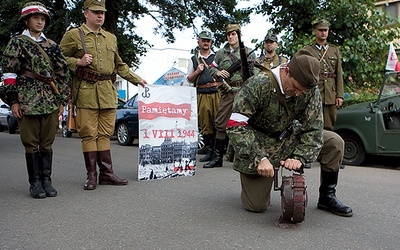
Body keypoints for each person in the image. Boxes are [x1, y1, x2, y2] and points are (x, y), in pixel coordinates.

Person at [227, 50, 352, 217]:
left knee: (334, 142)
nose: (298, 94)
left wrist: (299, 157)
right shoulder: (257, 84)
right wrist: (260, 158)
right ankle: (256, 180)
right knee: (256, 206)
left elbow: (314, 128)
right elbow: (235, 125)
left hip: (289, 137)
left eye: (303, 91)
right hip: (260, 144)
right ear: (286, 71)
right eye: (295, 88)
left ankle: (327, 197)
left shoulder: (309, 89)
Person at [59, 0, 147, 190]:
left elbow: (120, 65)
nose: (100, 16)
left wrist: (137, 79)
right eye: (96, 12)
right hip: (85, 91)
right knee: (89, 134)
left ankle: (107, 174)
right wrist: (77, 62)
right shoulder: (74, 35)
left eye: (103, 12)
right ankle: (92, 175)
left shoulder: (110, 38)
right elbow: (58, 58)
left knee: (105, 133)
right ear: (86, 13)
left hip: (108, 92)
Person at [0, 2, 71, 199]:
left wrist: (62, 101)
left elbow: (63, 74)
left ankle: (47, 181)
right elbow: (8, 74)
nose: (40, 22)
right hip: (26, 99)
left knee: (47, 142)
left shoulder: (52, 46)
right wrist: (13, 100)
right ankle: (35, 183)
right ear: (26, 20)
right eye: (35, 18)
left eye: (43, 19)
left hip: (49, 99)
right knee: (31, 143)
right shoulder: (17, 43)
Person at [204, 24, 257, 168]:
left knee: (247, 122)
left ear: (239, 35)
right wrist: (218, 73)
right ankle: (217, 157)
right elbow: (212, 68)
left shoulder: (249, 52)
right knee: (221, 123)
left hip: (244, 91)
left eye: (234, 34)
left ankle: (247, 156)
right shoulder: (221, 53)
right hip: (228, 91)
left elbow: (256, 74)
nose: (231, 37)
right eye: (229, 35)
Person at [302, 19, 344, 130]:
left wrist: (339, 95)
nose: (323, 33)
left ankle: (328, 146)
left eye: (325, 30)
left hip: (330, 93)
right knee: (313, 123)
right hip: (315, 91)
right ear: (315, 31)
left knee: (330, 125)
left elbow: (339, 73)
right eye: (320, 30)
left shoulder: (334, 50)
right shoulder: (308, 50)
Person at [187, 30, 220, 163]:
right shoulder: (194, 59)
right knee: (205, 123)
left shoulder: (217, 57)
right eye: (203, 40)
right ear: (198, 42)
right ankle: (209, 151)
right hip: (202, 93)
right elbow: (189, 79)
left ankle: (218, 154)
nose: (206, 43)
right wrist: (197, 71)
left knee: (219, 122)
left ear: (211, 42)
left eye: (208, 40)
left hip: (217, 92)